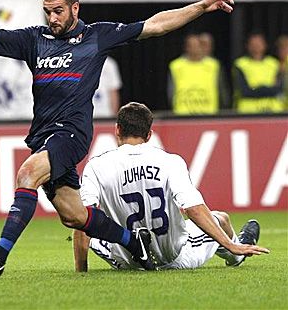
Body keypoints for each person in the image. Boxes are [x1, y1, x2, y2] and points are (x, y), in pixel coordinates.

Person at [0, 0, 237, 279]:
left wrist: (201, 6)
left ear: (75, 8)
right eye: (48, 12)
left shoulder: (97, 36)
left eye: (59, 11)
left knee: (27, 174)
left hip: (72, 133)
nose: (52, 18)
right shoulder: (33, 39)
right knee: (74, 215)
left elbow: (155, 25)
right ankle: (132, 240)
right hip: (43, 135)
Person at [74, 102, 269, 271]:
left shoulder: (96, 166)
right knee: (221, 218)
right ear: (149, 134)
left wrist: (81, 272)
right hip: (173, 258)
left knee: (95, 230)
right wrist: (229, 245)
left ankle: (133, 249)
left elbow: (83, 220)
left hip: (125, 261)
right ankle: (236, 253)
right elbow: (193, 209)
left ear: (117, 129)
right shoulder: (169, 161)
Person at [167, 33, 229, 114]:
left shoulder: (214, 65)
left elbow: (222, 92)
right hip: (182, 115)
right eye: (191, 45)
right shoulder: (176, 66)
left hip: (209, 115)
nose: (195, 48)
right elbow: (171, 93)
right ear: (186, 47)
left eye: (197, 45)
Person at [232, 33, 284, 113]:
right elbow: (245, 91)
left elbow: (278, 90)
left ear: (265, 45)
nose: (256, 47)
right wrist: (267, 89)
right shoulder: (240, 64)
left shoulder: (274, 64)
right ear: (247, 46)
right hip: (248, 112)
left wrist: (257, 89)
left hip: (273, 111)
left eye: (259, 43)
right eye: (253, 44)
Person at [275, 35, 288, 110]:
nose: (282, 51)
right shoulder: (274, 64)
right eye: (280, 48)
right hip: (280, 107)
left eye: (285, 47)